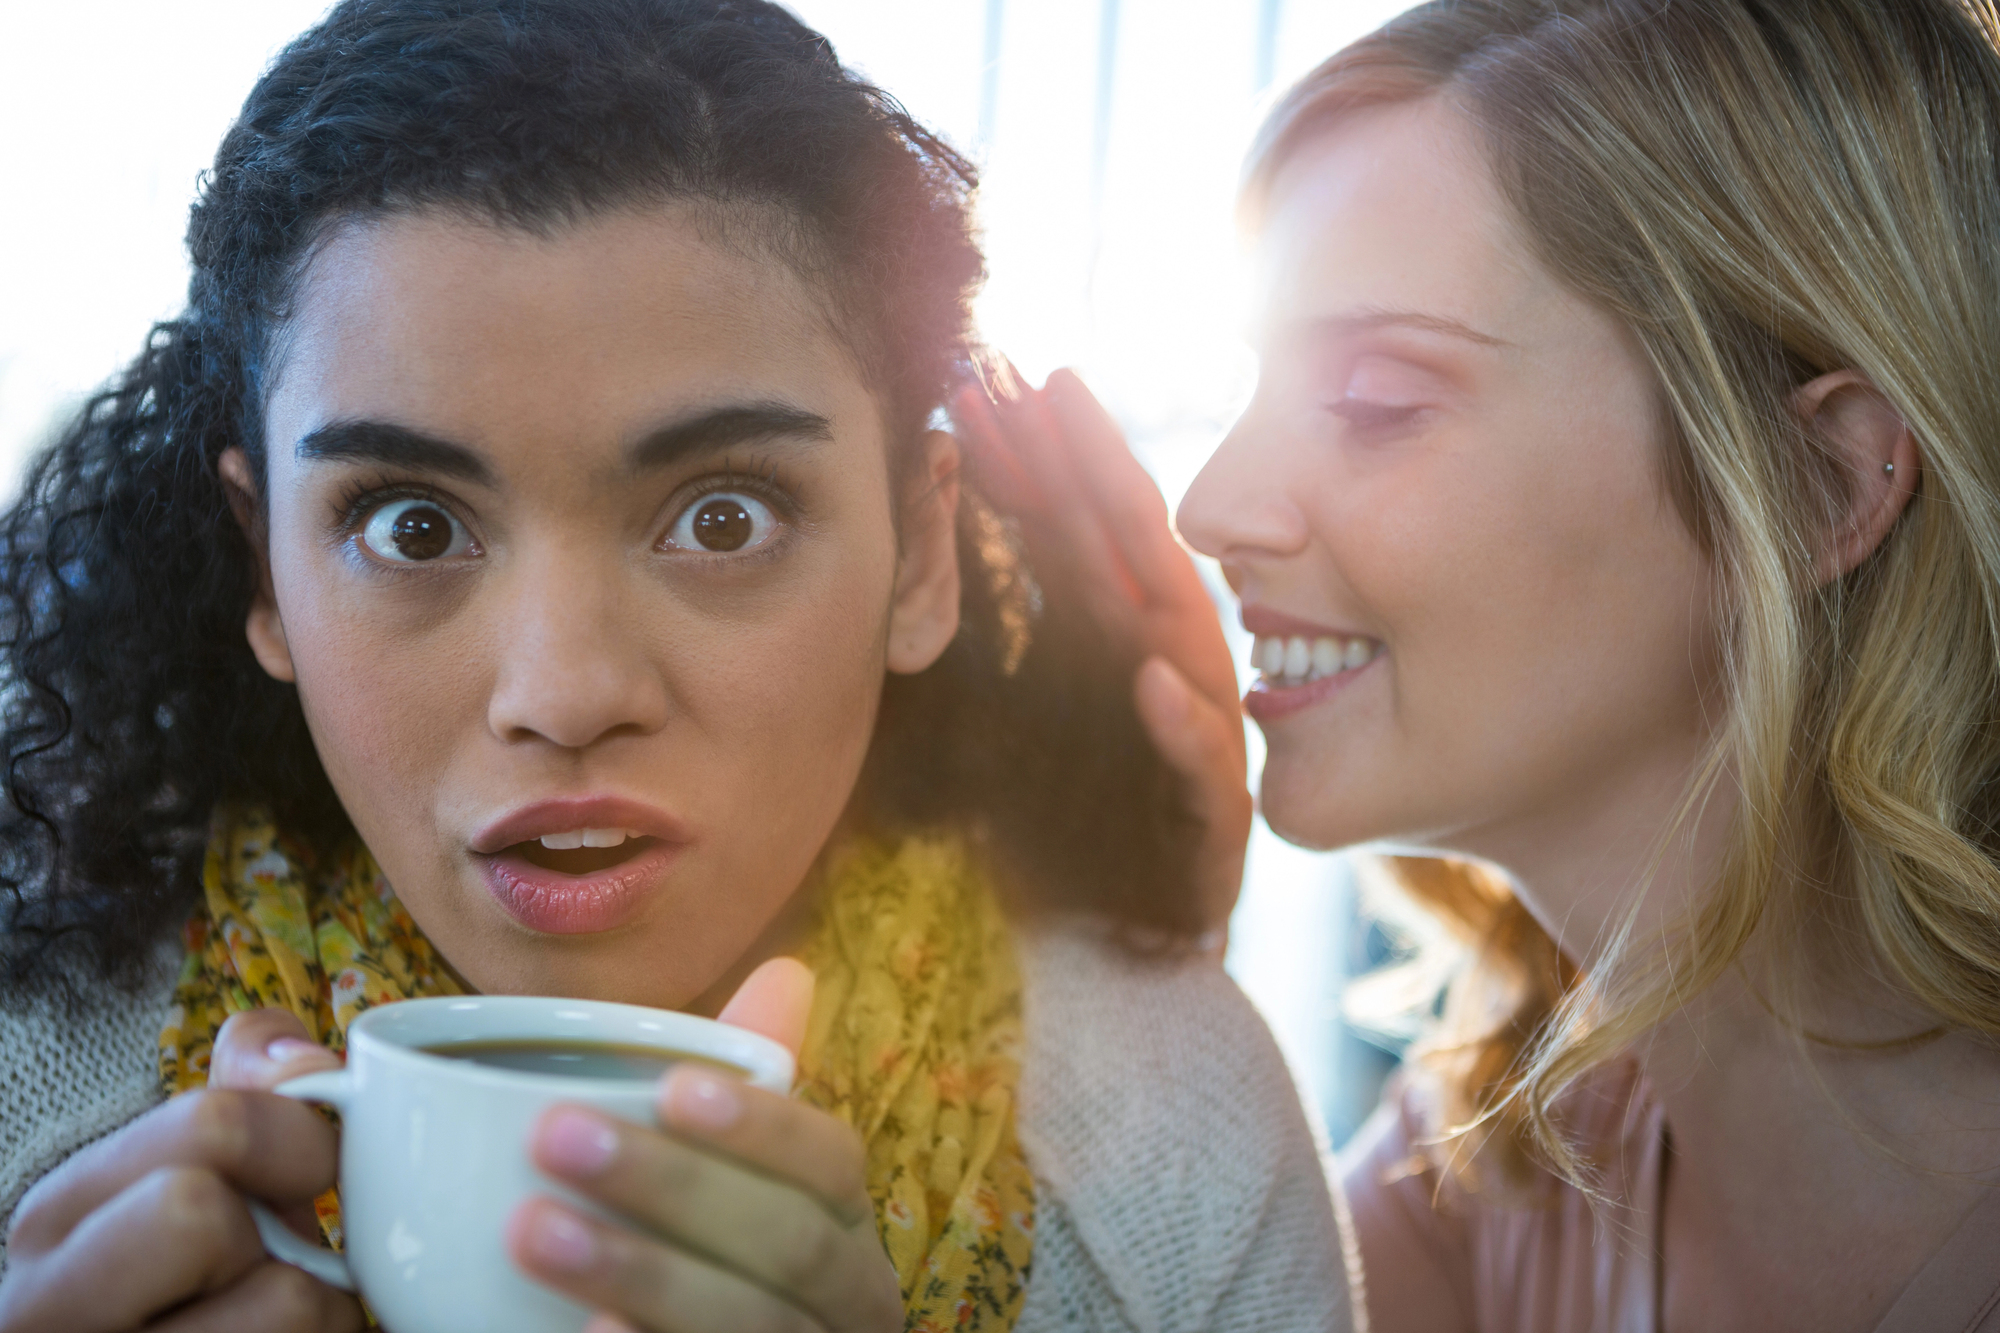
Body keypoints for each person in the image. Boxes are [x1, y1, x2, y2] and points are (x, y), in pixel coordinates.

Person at [0, 2, 1350, 1330]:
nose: (565, 691)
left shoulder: (1179, 1149)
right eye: (413, 526)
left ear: (922, 554)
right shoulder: (35, 1116)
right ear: (264, 572)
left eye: (723, 519)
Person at [963, 0, 2000, 1330]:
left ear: (1820, 484)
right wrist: (1149, 981)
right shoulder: (1483, 1187)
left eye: (1377, 402)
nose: (1212, 503)